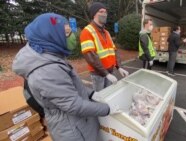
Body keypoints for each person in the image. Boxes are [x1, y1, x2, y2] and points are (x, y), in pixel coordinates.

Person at [12, 13, 120, 141]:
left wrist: (90, 93)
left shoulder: (50, 54)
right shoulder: (46, 70)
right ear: (52, 36)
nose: (72, 37)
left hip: (80, 123)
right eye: (67, 33)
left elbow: (70, 84)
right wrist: (107, 109)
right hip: (72, 130)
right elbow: (74, 105)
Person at [80, 2, 129, 92]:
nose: (104, 14)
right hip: (98, 74)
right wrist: (106, 74)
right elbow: (90, 56)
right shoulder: (87, 32)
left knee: (109, 94)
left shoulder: (106, 32)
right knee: (100, 98)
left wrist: (119, 67)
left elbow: (114, 50)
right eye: (101, 12)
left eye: (105, 12)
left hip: (110, 71)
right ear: (94, 14)